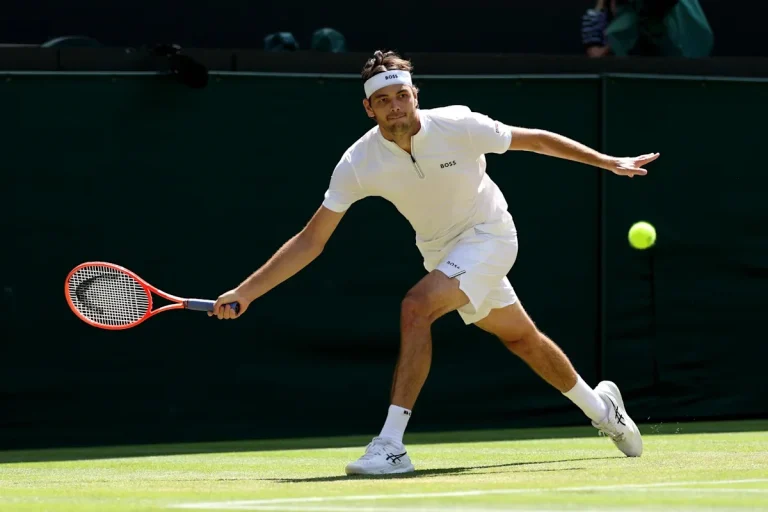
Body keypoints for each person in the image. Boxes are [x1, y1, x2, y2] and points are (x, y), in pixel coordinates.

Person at [209, 50, 659, 476]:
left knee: (415, 306)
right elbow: (311, 240)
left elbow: (536, 140)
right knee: (522, 338)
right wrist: (246, 291)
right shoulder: (358, 162)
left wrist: (608, 161)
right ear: (369, 109)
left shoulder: (459, 125)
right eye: (382, 101)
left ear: (415, 95)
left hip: (491, 235)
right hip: (442, 253)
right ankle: (603, 409)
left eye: (401, 96)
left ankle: (391, 445)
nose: (395, 108)